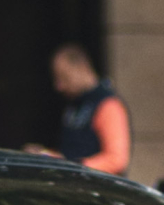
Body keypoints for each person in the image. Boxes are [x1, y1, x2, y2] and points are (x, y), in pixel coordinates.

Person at [40, 42, 132, 176]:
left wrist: (74, 166)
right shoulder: (74, 105)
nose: (59, 86)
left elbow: (116, 160)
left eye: (64, 77)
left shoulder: (107, 104)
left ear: (80, 68)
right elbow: (72, 152)